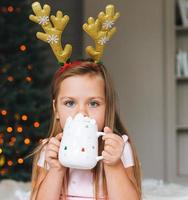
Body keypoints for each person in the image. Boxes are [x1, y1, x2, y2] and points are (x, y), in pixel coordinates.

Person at [28, 2, 142, 199]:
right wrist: (56, 169)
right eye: (70, 103)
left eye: (94, 103)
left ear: (108, 108)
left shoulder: (118, 148)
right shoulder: (50, 150)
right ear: (56, 109)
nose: (81, 113)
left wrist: (114, 165)